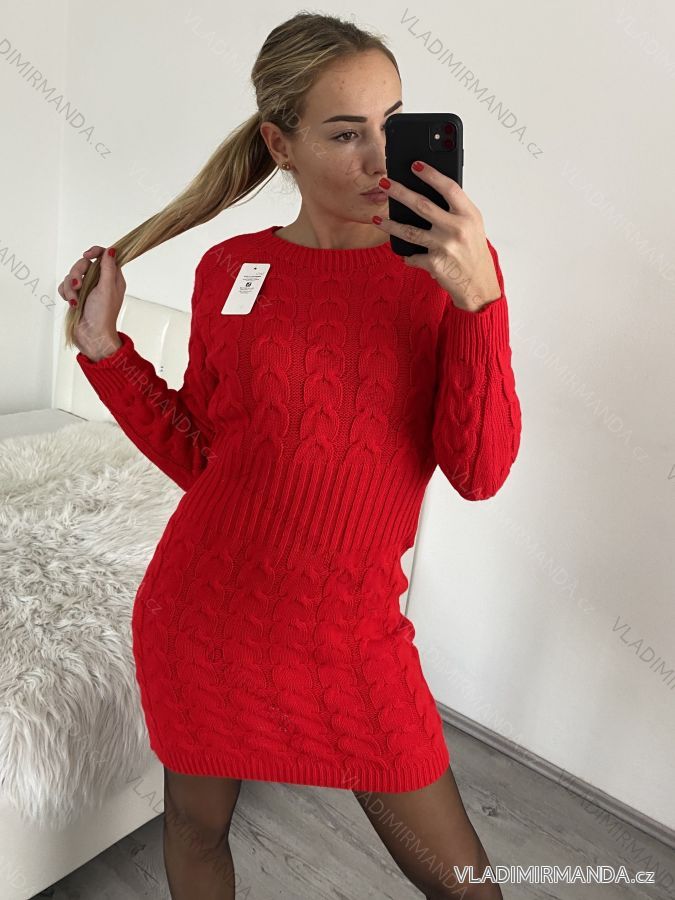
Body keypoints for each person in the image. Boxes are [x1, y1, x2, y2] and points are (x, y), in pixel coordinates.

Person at [58, 12, 520, 900]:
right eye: (345, 134)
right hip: (200, 621)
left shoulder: (450, 272)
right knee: (195, 832)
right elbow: (206, 458)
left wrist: (477, 305)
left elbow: (479, 471)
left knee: (464, 886)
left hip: (351, 639)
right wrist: (105, 351)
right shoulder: (228, 269)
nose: (381, 160)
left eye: (393, 124)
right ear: (281, 145)